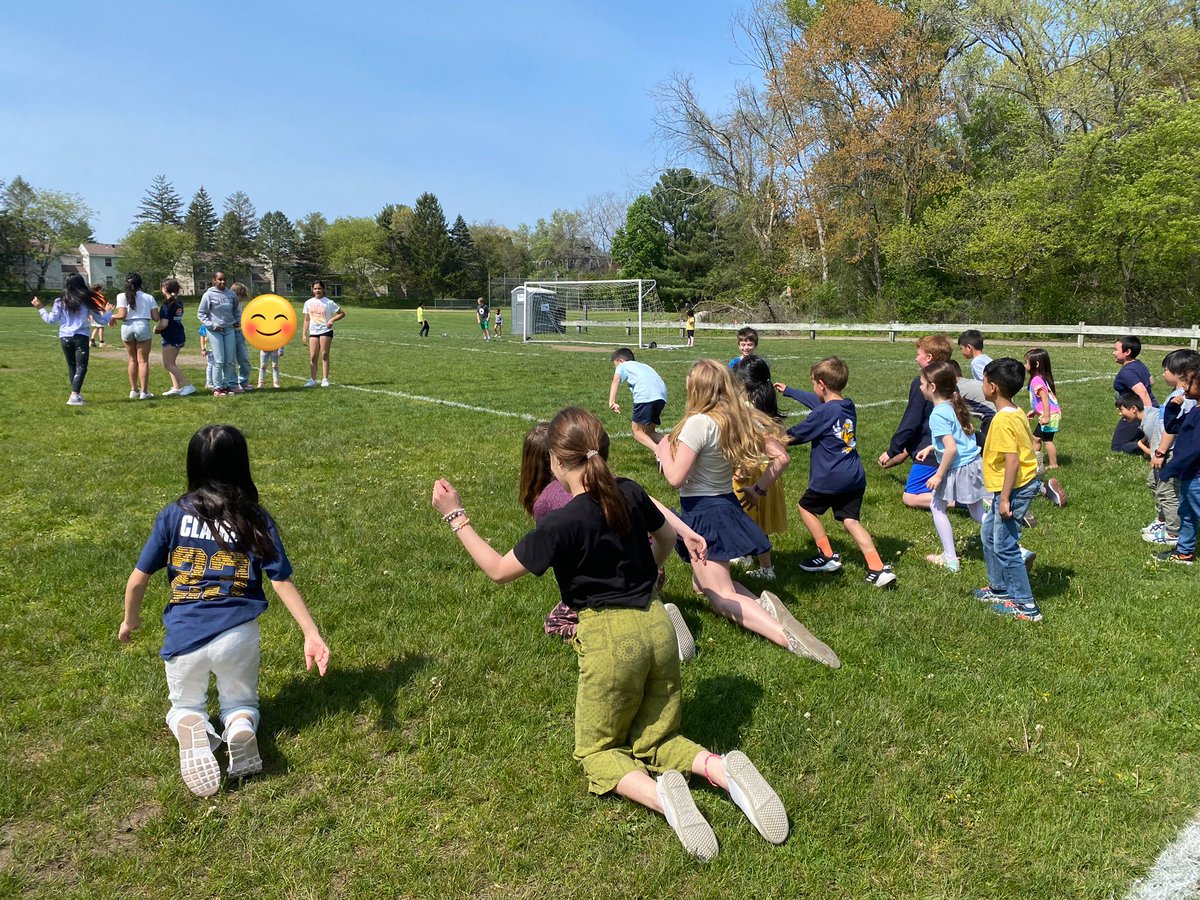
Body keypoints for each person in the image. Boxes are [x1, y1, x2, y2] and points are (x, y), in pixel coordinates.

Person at [431, 407, 790, 861]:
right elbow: (663, 543)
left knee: (597, 750)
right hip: (658, 625)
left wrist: (456, 515)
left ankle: (665, 798)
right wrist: (648, 573)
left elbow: (499, 570)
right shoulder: (630, 492)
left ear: (556, 463)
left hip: (608, 639)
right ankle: (718, 768)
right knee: (657, 739)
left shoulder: (560, 523)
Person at [119, 424, 331, 797]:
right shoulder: (254, 518)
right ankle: (240, 726)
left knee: (185, 703)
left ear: (193, 465)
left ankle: (190, 724)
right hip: (239, 633)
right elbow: (281, 580)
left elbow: (138, 580)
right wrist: (310, 632)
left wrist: (130, 619)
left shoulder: (172, 515)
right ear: (241, 465)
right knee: (241, 700)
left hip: (185, 636)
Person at [654, 360, 839, 666]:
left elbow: (675, 479)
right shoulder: (739, 418)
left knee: (720, 597)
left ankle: (786, 637)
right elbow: (781, 457)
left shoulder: (699, 423)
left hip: (703, 511)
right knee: (706, 584)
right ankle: (762, 606)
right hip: (725, 505)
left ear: (697, 389)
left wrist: (663, 452)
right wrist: (759, 489)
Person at [519, 421, 696, 659]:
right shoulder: (610, 481)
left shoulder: (548, 505)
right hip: (650, 567)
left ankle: (657, 629)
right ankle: (653, 617)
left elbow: (554, 554)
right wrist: (685, 532)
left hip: (608, 584)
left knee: (556, 622)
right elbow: (653, 508)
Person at [776, 356, 897, 587]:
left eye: (814, 383)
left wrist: (769, 438)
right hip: (854, 476)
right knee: (850, 520)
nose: (813, 388)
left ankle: (827, 555)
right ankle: (878, 568)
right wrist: (790, 391)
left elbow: (796, 434)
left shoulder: (823, 413)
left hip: (830, 477)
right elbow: (819, 403)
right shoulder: (847, 405)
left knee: (805, 508)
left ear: (821, 384)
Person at [974, 358, 1043, 622]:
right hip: (1009, 487)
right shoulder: (1014, 411)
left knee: (1005, 545)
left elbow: (1012, 460)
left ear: (992, 387)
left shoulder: (1003, 421)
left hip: (1013, 489)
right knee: (989, 536)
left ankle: (1026, 605)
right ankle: (999, 589)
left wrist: (1004, 499)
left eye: (983, 381)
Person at [913, 362, 986, 573]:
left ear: (932, 387)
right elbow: (957, 437)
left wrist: (938, 475)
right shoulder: (953, 405)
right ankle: (1015, 548)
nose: (919, 387)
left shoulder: (937, 414)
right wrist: (930, 447)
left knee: (937, 507)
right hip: (973, 463)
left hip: (959, 467)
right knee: (977, 511)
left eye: (922, 383)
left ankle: (950, 559)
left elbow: (951, 449)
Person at [878, 335, 953, 509]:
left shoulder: (922, 384)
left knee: (911, 497)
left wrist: (892, 450)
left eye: (918, 353)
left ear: (929, 358)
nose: (916, 357)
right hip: (948, 446)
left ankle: (970, 501)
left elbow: (911, 421)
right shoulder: (950, 380)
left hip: (930, 452)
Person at [730, 356, 787, 580]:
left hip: (751, 474)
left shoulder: (747, 411)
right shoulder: (767, 405)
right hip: (768, 474)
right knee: (754, 521)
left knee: (750, 522)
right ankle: (747, 555)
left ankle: (766, 568)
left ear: (743, 384)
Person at [1144, 350, 1200, 547]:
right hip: (1170, 458)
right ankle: (1165, 523)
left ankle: (1174, 533)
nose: (1162, 374)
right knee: (1159, 488)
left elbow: (1178, 435)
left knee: (1172, 496)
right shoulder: (1184, 401)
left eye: (1166, 370)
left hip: (1177, 460)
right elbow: (1171, 425)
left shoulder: (1188, 402)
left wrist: (1163, 454)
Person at [30, 274, 112, 406]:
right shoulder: (87, 300)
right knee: (82, 367)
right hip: (80, 336)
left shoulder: (60, 301)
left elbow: (50, 320)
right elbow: (101, 320)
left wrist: (40, 308)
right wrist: (108, 312)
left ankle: (76, 394)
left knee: (72, 365)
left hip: (65, 337)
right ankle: (74, 395)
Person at [1024, 348, 1066, 507]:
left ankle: (1053, 463)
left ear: (1035, 364)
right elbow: (1041, 400)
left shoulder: (1036, 380)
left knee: (1046, 439)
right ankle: (1036, 460)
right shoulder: (1039, 377)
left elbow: (1045, 399)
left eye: (1026, 362)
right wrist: (1036, 411)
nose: (1025, 365)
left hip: (1050, 415)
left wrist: (1046, 415)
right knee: (1037, 438)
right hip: (1048, 413)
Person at [112, 272, 160, 400]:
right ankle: (144, 392)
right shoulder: (148, 297)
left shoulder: (121, 296)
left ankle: (134, 390)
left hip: (127, 326)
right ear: (140, 284)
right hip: (142, 325)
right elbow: (156, 318)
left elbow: (122, 315)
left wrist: (111, 316)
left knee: (132, 360)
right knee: (143, 360)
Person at [609, 348, 668, 447]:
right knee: (649, 432)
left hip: (645, 395)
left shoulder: (623, 365)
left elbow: (616, 380)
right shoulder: (644, 366)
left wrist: (612, 401)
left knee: (636, 432)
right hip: (661, 395)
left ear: (620, 360)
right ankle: (673, 448)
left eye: (615, 365)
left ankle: (659, 452)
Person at [197, 272, 240, 396]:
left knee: (230, 359)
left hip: (229, 329)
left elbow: (237, 311)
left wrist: (237, 321)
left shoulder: (231, 294)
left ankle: (227, 385)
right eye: (219, 279)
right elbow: (201, 313)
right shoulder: (208, 295)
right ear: (214, 280)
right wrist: (211, 325)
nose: (222, 282)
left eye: (224, 280)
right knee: (219, 359)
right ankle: (217, 387)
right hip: (215, 331)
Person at [1112, 335, 1156, 453]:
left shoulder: (1127, 371)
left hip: (1137, 413)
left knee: (1118, 446)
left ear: (1127, 352)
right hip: (1144, 409)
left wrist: (1148, 417)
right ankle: (1146, 440)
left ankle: (1152, 449)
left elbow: (1143, 392)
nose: (1113, 353)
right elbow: (1151, 381)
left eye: (1116, 350)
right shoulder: (1139, 364)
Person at [156, 278, 196, 397]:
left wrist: (156, 329)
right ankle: (176, 387)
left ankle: (188, 385)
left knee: (168, 364)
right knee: (172, 362)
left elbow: (164, 324)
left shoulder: (167, 305)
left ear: (165, 289)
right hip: (178, 334)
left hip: (171, 336)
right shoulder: (178, 303)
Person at [302, 280, 345, 387]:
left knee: (324, 354)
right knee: (313, 356)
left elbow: (342, 313)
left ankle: (325, 379)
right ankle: (312, 380)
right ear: (312, 290)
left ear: (323, 289)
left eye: (319, 288)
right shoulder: (308, 303)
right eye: (315, 288)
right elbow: (306, 319)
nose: (317, 290)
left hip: (326, 331)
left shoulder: (329, 302)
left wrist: (332, 320)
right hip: (313, 332)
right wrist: (304, 334)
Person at [229, 282, 254, 391]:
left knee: (244, 359)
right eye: (241, 295)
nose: (243, 298)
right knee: (231, 360)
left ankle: (243, 381)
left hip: (240, 333)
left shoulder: (240, 305)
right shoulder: (229, 304)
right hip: (230, 333)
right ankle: (233, 382)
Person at [89, 283, 108, 348]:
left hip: (93, 313)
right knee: (101, 327)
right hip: (99, 313)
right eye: (101, 289)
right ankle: (101, 342)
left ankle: (92, 341)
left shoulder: (91, 296)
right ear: (99, 289)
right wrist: (103, 314)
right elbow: (101, 306)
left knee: (96, 327)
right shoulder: (100, 297)